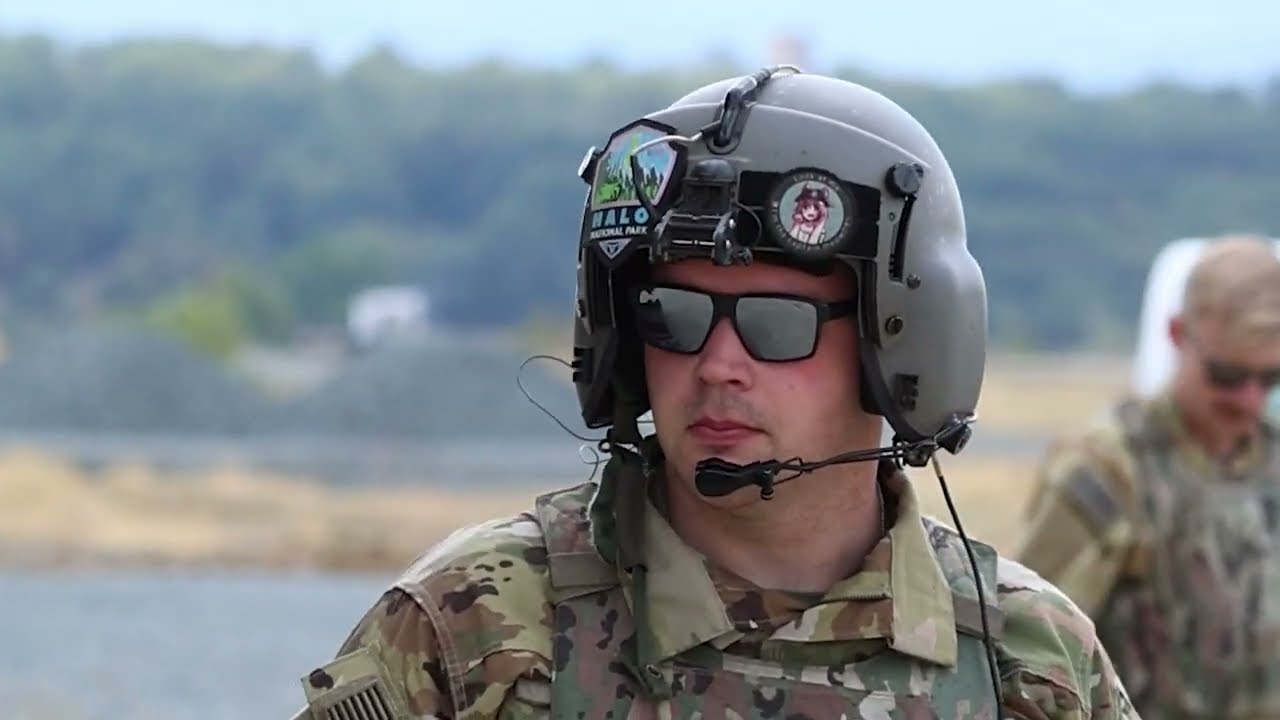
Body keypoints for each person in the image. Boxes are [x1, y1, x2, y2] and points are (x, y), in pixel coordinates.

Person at [292, 67, 1137, 719]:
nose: (718, 363)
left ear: (901, 340)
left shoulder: (1027, 662)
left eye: (777, 324)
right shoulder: (475, 627)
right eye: (674, 315)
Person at [1015, 235, 1280, 720]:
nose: (1249, 400)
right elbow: (1028, 657)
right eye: (1226, 376)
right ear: (1178, 335)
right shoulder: (1106, 470)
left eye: (1270, 380)